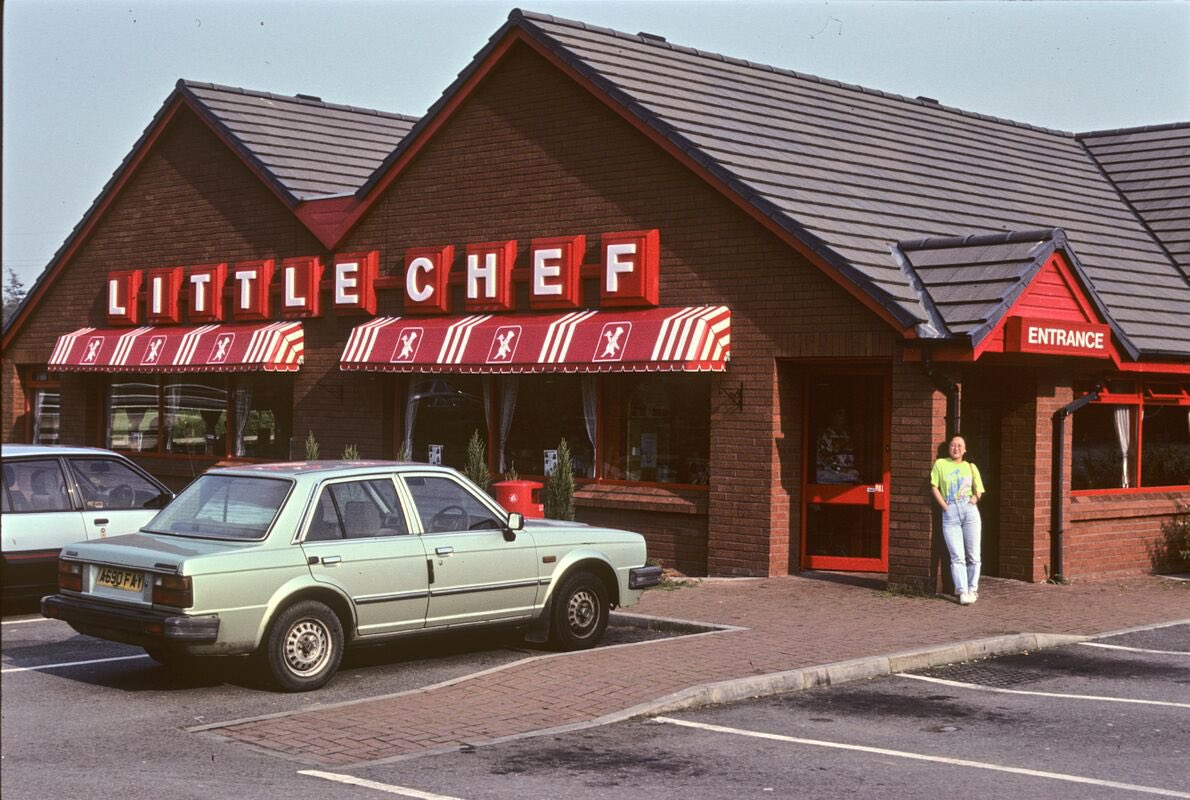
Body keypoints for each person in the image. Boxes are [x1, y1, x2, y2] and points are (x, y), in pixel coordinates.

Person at [930, 435, 985, 605]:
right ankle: (962, 591)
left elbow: (979, 490)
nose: (956, 448)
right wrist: (945, 506)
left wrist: (973, 501)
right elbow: (934, 487)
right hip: (950, 510)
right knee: (957, 555)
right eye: (953, 445)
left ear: (965, 449)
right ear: (948, 448)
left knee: (974, 555)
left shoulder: (970, 466)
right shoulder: (940, 464)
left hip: (969, 511)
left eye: (960, 445)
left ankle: (972, 589)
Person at [816, 408, 860, 483]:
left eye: (844, 415)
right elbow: (824, 458)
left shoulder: (846, 435)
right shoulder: (826, 435)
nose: (843, 417)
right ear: (833, 416)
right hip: (830, 475)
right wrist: (839, 469)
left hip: (846, 474)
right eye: (839, 414)